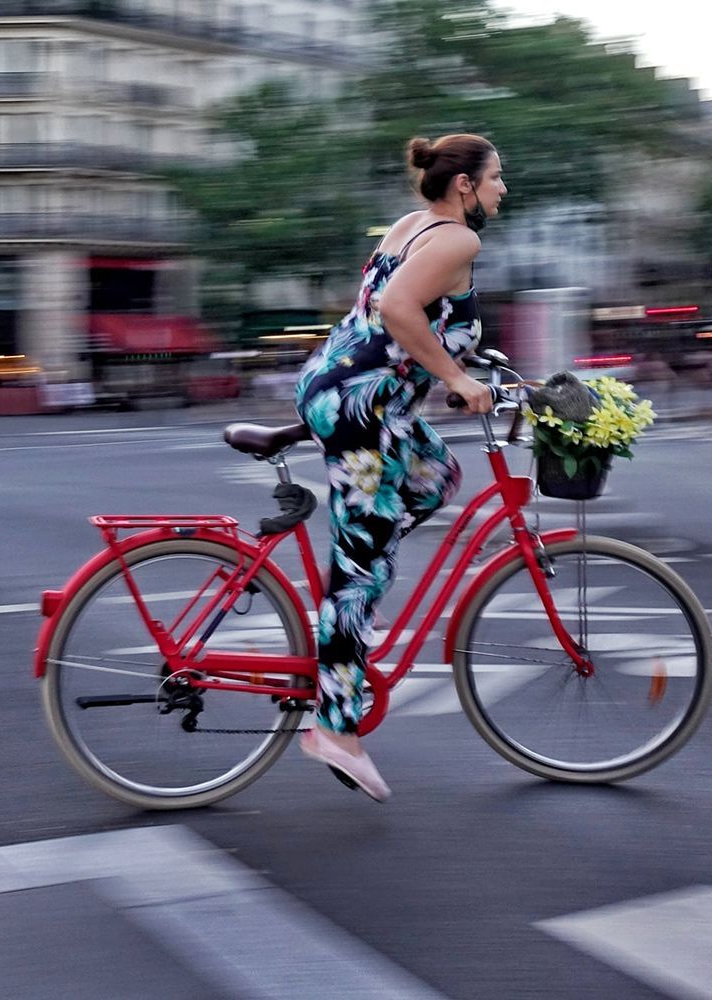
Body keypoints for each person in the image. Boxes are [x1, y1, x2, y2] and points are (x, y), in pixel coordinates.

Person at [293, 133, 507, 801]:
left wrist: (472, 366)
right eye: (497, 177)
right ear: (465, 184)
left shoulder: (414, 226)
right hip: (363, 410)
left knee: (436, 477)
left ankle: (352, 595)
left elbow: (411, 318)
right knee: (361, 576)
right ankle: (335, 726)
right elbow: (396, 310)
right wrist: (452, 374)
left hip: (352, 393)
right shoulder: (457, 240)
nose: (504, 188)